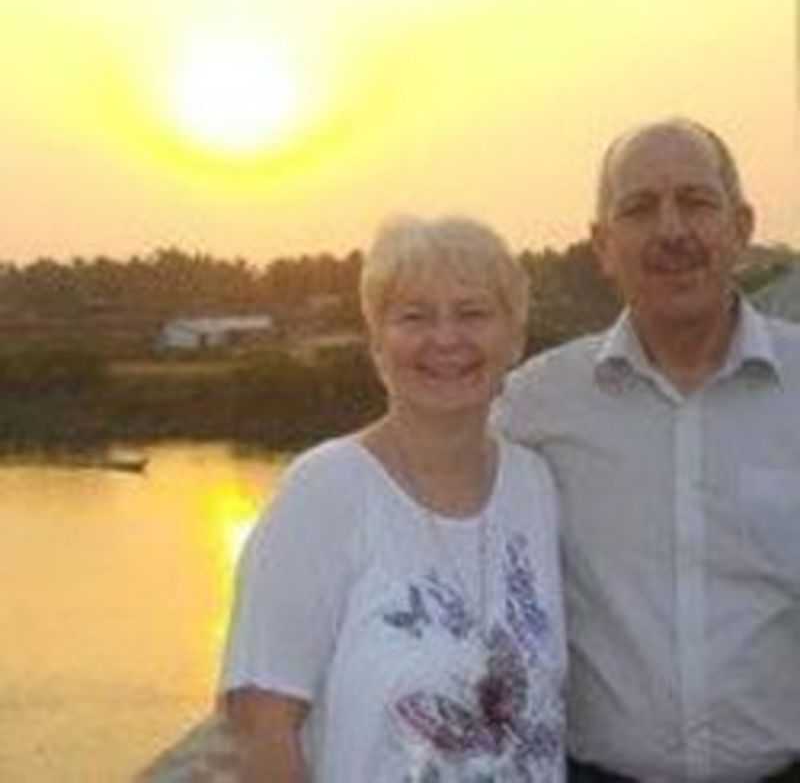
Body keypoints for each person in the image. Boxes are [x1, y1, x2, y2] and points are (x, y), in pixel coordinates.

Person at [493, 117, 800, 783]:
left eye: (696, 202)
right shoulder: (534, 406)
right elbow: (419, 493)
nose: (671, 231)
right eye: (639, 209)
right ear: (603, 246)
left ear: (741, 227)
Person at [218, 216, 567, 781]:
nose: (446, 338)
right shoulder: (325, 492)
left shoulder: (535, 487)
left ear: (515, 338)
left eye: (473, 313)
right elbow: (261, 729)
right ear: (378, 343)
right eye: (414, 316)